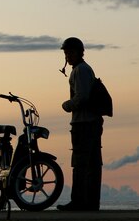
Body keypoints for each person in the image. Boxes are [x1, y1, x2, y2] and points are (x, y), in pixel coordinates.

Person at [57, 37, 103, 212]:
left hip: (83, 124)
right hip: (91, 123)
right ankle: (91, 203)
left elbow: (81, 97)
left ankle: (78, 202)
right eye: (66, 52)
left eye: (70, 52)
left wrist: (66, 105)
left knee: (81, 164)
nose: (68, 56)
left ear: (79, 52)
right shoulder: (84, 69)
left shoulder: (80, 71)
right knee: (92, 164)